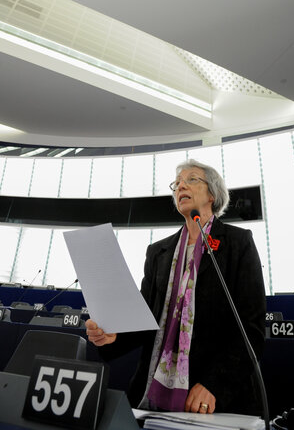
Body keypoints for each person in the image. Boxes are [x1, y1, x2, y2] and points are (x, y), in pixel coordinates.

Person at [86, 159, 266, 415]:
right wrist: (113, 335)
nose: (181, 185)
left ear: (212, 194)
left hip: (212, 398)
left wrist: (214, 384)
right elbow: (145, 319)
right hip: (151, 393)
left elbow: (252, 327)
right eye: (177, 183)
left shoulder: (238, 243)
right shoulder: (158, 252)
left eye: (191, 179)